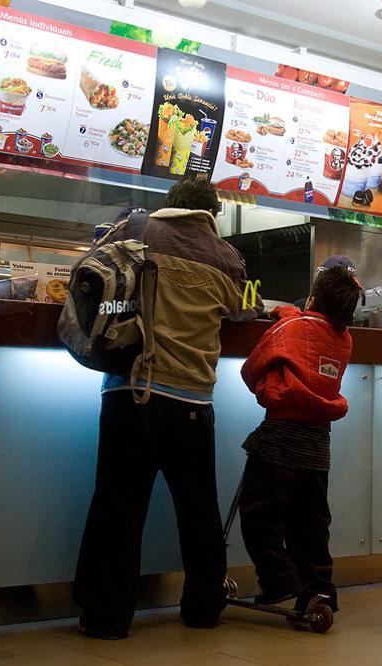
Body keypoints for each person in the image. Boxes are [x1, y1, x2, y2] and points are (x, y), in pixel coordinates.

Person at [73, 176, 259, 639]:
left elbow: (90, 277)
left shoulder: (135, 229)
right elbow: (241, 311)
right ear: (212, 214)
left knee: (118, 508)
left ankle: (107, 617)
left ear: (169, 205)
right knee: (198, 510)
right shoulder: (228, 258)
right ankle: (203, 607)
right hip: (193, 400)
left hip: (131, 392)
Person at [238, 257, 361, 615]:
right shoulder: (345, 340)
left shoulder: (290, 328)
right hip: (317, 444)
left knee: (259, 513)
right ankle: (319, 589)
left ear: (312, 299)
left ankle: (279, 580)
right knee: (311, 523)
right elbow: (314, 332)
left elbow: (252, 368)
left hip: (279, 436)